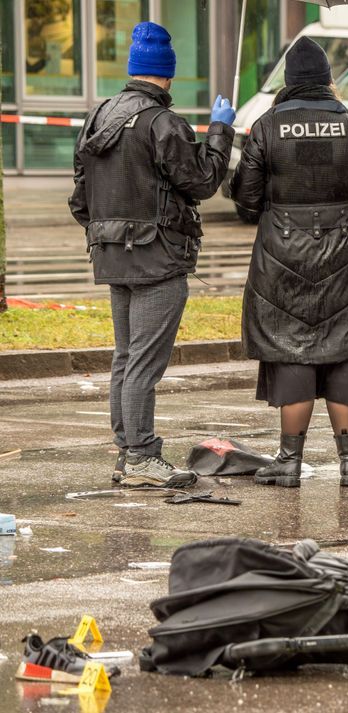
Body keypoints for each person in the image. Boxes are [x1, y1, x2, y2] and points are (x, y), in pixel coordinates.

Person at [69, 21, 236, 488]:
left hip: (111, 254)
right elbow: (203, 181)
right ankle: (141, 456)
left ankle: (129, 452)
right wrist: (220, 130)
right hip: (158, 258)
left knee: (126, 356)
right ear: (167, 74)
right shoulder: (162, 122)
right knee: (143, 361)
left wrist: (109, 234)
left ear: (133, 70)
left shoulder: (98, 115)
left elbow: (79, 200)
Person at [230, 37, 348, 489]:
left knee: (293, 347)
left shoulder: (266, 126)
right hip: (343, 250)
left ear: (289, 83)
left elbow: (246, 196)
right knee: (340, 352)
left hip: (281, 253)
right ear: (327, 80)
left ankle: (288, 461)